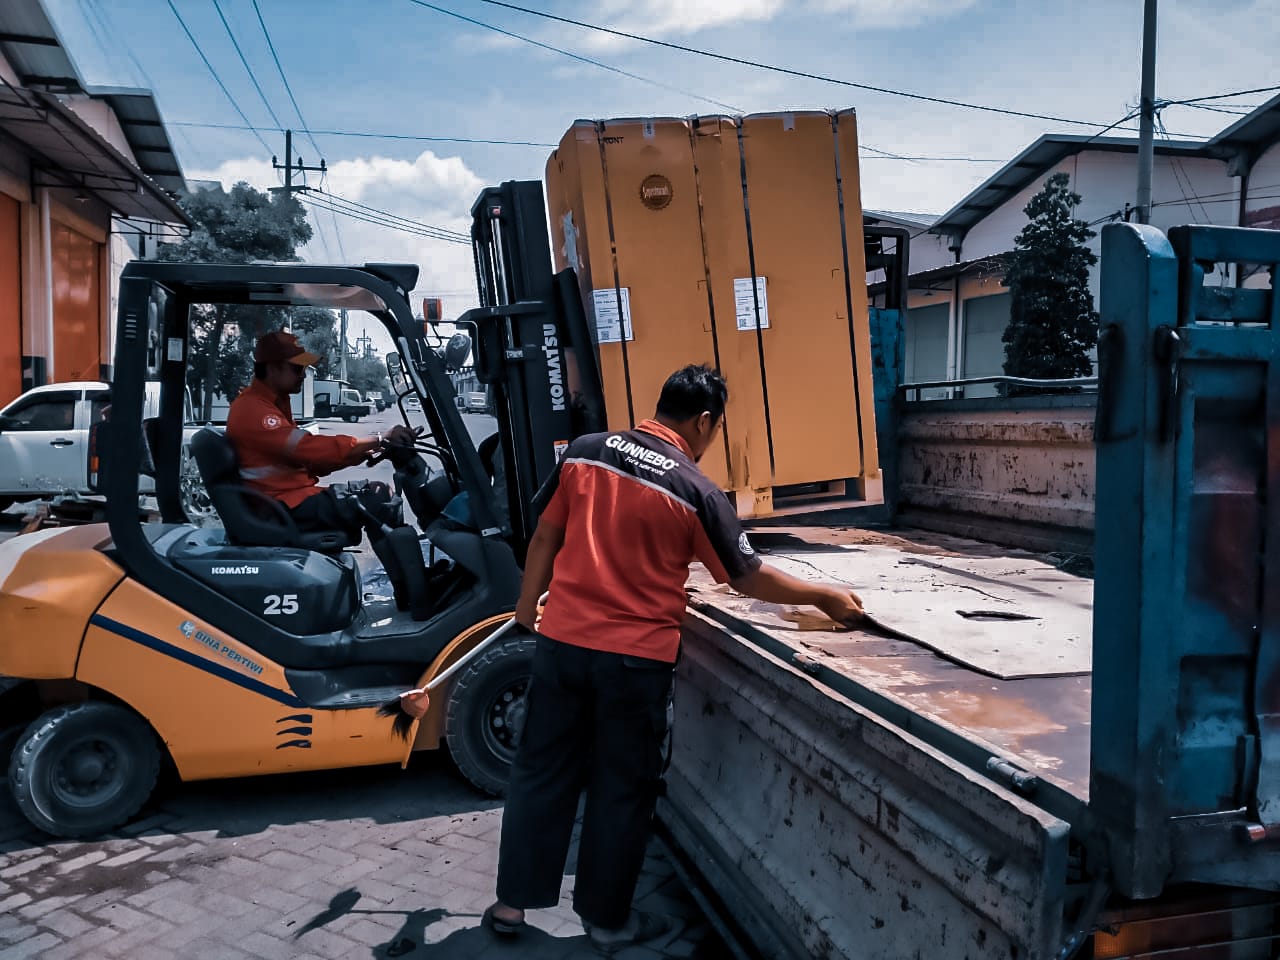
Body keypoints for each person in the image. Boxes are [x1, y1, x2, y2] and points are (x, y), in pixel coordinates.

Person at [475, 363, 864, 951]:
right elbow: (747, 576)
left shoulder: (584, 452)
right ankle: (607, 923)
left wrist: (528, 607)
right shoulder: (695, 490)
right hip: (633, 663)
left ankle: (510, 906)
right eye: (716, 429)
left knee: (540, 771)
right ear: (704, 421)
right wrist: (824, 594)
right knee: (619, 787)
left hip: (562, 647)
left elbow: (545, 538)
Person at [225, 330, 415, 538]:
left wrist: (359, 453)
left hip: (288, 500)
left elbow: (308, 463)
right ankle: (409, 570)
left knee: (380, 492)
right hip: (282, 506)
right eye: (297, 368)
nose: (303, 375)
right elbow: (307, 449)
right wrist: (379, 439)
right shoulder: (254, 410)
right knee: (381, 498)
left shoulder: (272, 405)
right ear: (272, 368)